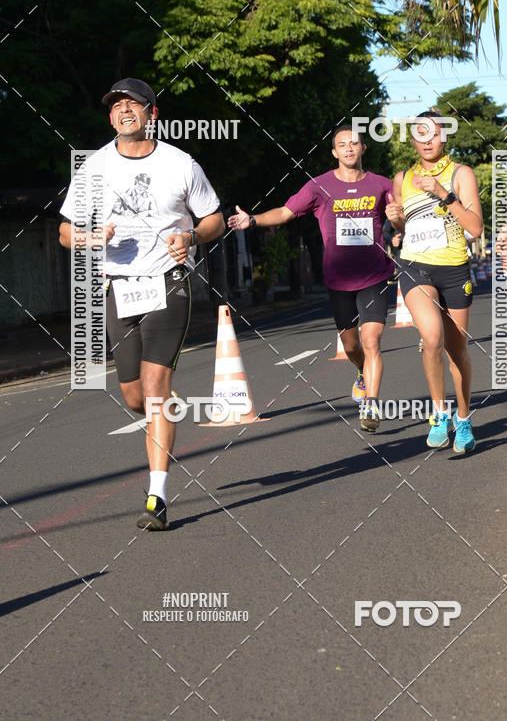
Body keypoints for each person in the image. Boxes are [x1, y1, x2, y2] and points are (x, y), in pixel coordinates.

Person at [59, 78, 224, 530]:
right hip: (118, 287)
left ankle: (157, 497)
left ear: (153, 113)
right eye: (116, 106)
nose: (124, 110)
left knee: (154, 388)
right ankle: (165, 409)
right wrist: (92, 237)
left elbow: (213, 218)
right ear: (110, 117)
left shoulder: (181, 163)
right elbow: (66, 233)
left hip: (169, 281)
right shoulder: (94, 167)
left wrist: (191, 236)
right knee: (136, 396)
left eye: (133, 103)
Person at [228, 124, 394, 432]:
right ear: (334, 152)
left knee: (371, 340)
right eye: (342, 144)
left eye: (354, 143)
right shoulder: (319, 186)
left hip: (374, 275)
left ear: (363, 148)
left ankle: (371, 405)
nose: (348, 148)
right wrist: (252, 219)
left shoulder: (382, 185)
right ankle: (361, 371)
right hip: (338, 280)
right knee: (351, 346)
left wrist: (399, 221)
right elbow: (285, 212)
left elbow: (402, 216)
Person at [386, 111, 483, 454]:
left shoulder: (461, 173)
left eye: (433, 134)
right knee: (431, 337)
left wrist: (444, 193)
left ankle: (464, 417)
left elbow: (475, 228)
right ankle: (440, 413)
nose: (427, 141)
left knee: (457, 350)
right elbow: (403, 228)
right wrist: (396, 221)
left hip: (454, 268)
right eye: (420, 134)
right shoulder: (402, 178)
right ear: (413, 140)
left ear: (444, 137)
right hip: (416, 267)